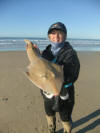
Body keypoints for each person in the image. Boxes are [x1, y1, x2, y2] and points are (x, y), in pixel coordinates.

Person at [40, 22, 80, 133]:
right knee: (49, 113)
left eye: (60, 33)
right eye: (53, 33)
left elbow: (73, 74)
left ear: (65, 36)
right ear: (49, 36)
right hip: (47, 92)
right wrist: (35, 53)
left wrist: (59, 84)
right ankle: (51, 129)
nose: (56, 36)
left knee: (65, 117)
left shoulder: (70, 53)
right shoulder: (45, 53)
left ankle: (67, 129)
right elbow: (40, 69)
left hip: (65, 93)